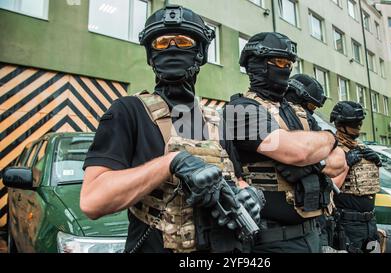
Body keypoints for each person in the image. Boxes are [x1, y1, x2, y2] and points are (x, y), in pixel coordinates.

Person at [80, 5, 264, 253]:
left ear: (200, 53)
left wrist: (250, 194)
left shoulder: (218, 120)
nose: (172, 47)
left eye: (183, 41)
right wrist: (171, 163)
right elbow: (93, 200)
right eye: (162, 42)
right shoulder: (128, 111)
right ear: (151, 55)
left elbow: (237, 178)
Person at [223, 32, 347, 253]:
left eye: (289, 63)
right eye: (280, 61)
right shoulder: (241, 110)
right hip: (271, 240)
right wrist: (325, 145)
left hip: (314, 233)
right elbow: (297, 152)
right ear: (257, 64)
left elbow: (340, 162)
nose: (286, 68)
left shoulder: (298, 112)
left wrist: (324, 148)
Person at [284, 74, 337, 251]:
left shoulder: (308, 121)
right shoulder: (278, 119)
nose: (311, 112)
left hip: (315, 216)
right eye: (311, 106)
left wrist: (318, 161)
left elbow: (336, 161)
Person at [329, 101, 382, 253]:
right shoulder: (333, 149)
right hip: (348, 224)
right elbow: (329, 188)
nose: (359, 126)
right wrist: (346, 164)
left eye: (360, 123)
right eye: (354, 123)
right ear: (341, 124)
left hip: (370, 222)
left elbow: (370, 183)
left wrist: (377, 162)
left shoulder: (360, 147)